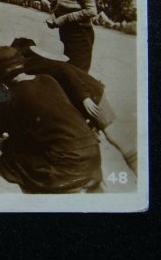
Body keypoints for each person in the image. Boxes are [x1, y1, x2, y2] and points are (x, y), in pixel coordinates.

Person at [0, 46, 103, 194]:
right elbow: (6, 115)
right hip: (93, 157)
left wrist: (4, 143)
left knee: (9, 160)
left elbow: (19, 141)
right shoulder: (47, 80)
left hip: (68, 167)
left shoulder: (13, 95)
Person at [10, 38, 136, 174]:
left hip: (89, 94)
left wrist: (84, 97)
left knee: (113, 134)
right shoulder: (43, 61)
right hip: (86, 92)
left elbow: (63, 69)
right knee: (106, 135)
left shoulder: (32, 64)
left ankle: (139, 170)